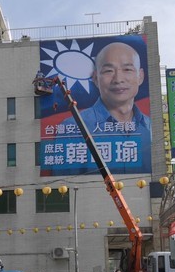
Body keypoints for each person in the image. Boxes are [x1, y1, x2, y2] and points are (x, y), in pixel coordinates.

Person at [60, 41, 151, 173]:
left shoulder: (150, 127)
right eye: (108, 71)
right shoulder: (74, 127)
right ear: (96, 78)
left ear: (140, 76)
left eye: (127, 69)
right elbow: (65, 183)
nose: (118, 79)